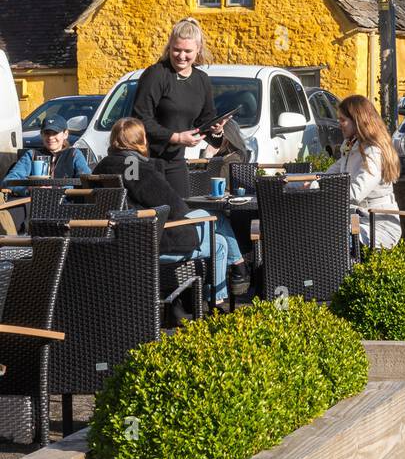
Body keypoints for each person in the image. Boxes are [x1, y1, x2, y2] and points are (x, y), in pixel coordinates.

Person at [93, 118, 248, 312]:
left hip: (115, 241)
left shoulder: (101, 167)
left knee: (216, 221)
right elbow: (173, 206)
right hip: (149, 241)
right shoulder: (134, 166)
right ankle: (219, 300)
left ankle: (230, 277)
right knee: (219, 238)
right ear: (142, 140)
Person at [132, 18, 227, 197]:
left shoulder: (201, 80)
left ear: (198, 49)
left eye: (187, 51)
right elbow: (139, 120)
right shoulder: (156, 75)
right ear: (169, 47)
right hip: (146, 160)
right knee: (155, 217)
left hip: (176, 161)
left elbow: (205, 123)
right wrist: (175, 137)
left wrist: (216, 130)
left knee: (182, 216)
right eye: (177, 50)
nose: (181, 56)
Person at [331, 95, 402, 248]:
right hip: (357, 219)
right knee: (313, 232)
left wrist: (323, 193)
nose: (339, 124)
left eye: (342, 120)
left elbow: (356, 192)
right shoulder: (352, 146)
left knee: (327, 239)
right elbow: (330, 175)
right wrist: (308, 182)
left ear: (358, 121)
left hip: (378, 225)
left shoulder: (373, 151)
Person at [2, 114, 90, 192]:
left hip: (67, 204)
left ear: (65, 134)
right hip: (34, 205)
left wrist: (58, 189)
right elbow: (8, 181)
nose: (50, 137)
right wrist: (29, 189)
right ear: (41, 134)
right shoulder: (31, 154)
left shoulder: (74, 154)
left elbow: (86, 181)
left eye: (55, 133)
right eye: (47, 133)